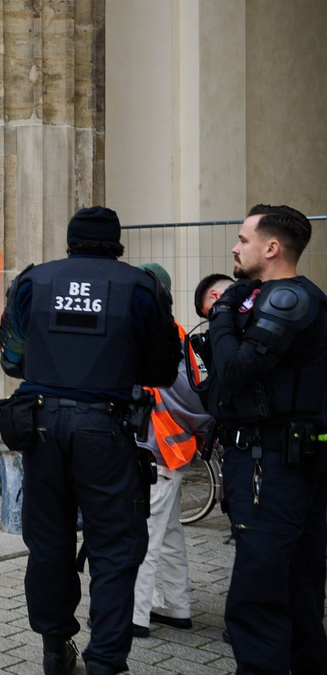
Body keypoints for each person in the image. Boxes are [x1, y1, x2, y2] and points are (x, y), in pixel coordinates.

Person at [0, 206, 181, 675]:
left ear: (69, 243)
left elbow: (12, 360)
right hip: (105, 427)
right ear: (118, 244)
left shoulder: (34, 282)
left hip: (39, 427)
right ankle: (106, 662)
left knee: (49, 542)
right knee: (116, 547)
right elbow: (163, 368)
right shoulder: (141, 287)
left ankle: (55, 651)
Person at [204, 204, 327, 673]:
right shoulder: (268, 296)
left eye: (243, 239)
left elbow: (236, 368)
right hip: (276, 459)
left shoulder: (288, 299)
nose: (235, 248)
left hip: (270, 462)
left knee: (258, 596)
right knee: (295, 584)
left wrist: (223, 311)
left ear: (272, 247)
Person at [131, 263, 215, 639]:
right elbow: (198, 400)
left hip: (155, 452)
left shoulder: (151, 336)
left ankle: (134, 616)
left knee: (142, 533)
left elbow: (181, 396)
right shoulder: (178, 334)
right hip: (173, 452)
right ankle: (177, 608)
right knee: (167, 533)